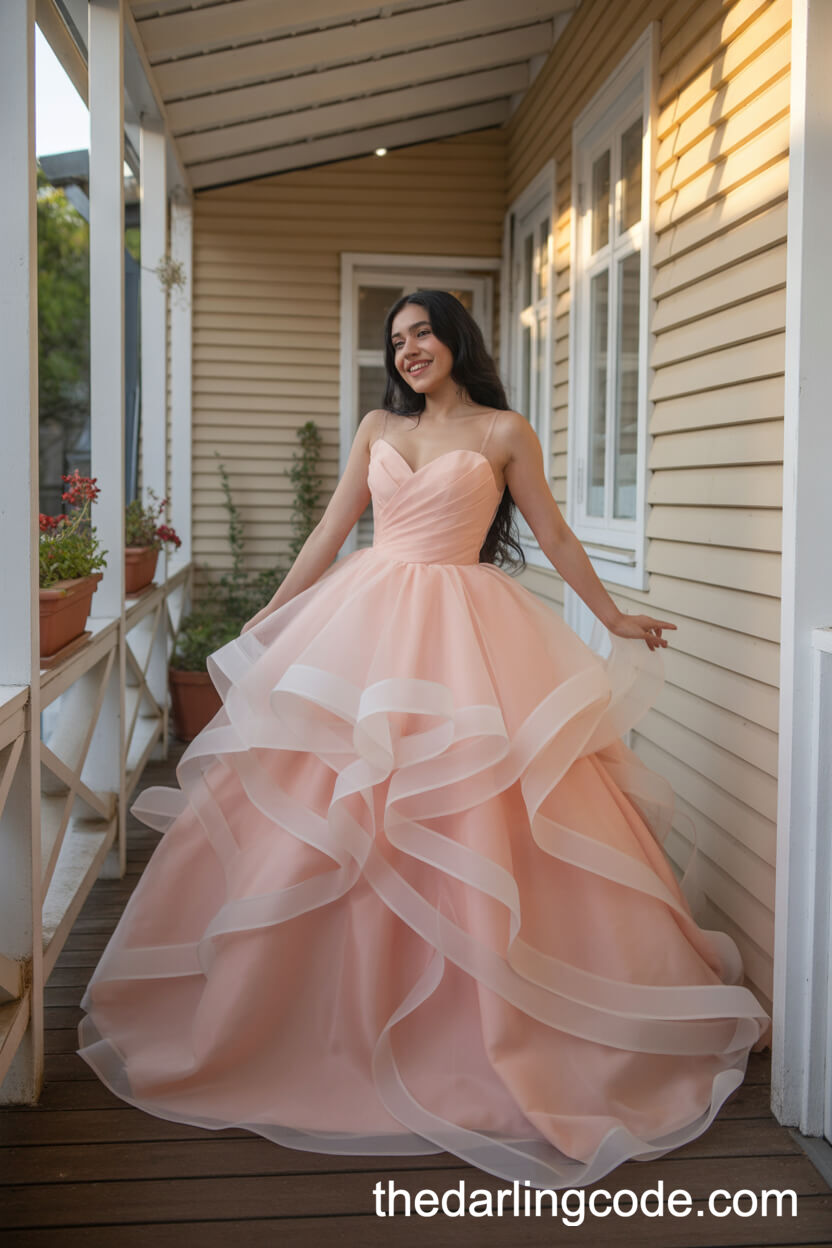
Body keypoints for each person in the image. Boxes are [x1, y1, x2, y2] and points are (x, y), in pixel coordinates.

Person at [76, 289, 770, 1191]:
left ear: (455, 338)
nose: (409, 350)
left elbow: (553, 532)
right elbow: (331, 532)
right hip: (368, 626)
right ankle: (320, 1027)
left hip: (470, 638)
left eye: (422, 333)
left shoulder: (503, 432)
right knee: (340, 809)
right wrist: (271, 619)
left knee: (481, 817)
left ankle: (486, 1028)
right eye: (395, 340)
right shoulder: (377, 428)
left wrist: (612, 616)